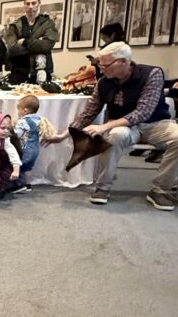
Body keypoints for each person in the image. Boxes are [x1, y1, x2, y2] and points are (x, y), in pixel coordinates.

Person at [49, 41, 178, 209]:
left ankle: (160, 190)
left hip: (155, 123)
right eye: (100, 65)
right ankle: (103, 188)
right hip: (123, 128)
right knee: (116, 135)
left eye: (106, 65)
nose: (102, 70)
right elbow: (89, 112)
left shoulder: (152, 74)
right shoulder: (104, 82)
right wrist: (64, 134)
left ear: (123, 61)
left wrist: (104, 126)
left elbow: (143, 112)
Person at [5, 0, 59, 84]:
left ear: (39, 3)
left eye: (34, 3)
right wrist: (38, 43)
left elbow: (47, 46)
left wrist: (25, 42)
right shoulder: (15, 25)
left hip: (41, 72)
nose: (30, 6)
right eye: (28, 3)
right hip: (19, 73)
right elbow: (12, 49)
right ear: (24, 5)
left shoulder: (48, 23)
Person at [13, 95, 55, 190]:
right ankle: (28, 185)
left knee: (19, 165)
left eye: (19, 109)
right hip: (35, 149)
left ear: (25, 111)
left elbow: (17, 135)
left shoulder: (23, 121)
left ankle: (19, 185)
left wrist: (12, 128)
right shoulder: (40, 120)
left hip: (25, 149)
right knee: (28, 167)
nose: (18, 112)